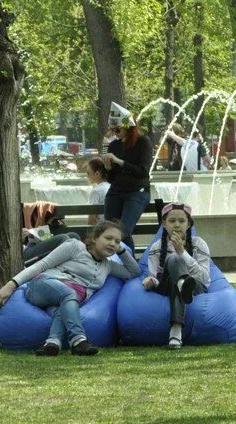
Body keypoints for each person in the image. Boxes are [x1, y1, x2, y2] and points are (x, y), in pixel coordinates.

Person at [0, 219, 141, 356]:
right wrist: (11, 284)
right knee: (69, 294)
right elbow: (42, 265)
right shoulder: (75, 246)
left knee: (62, 309)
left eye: (117, 241)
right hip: (43, 285)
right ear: (95, 237)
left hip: (65, 299)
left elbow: (134, 272)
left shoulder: (108, 265)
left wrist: (121, 251)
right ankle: (78, 340)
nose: (113, 244)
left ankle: (52, 343)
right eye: (108, 238)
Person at [142, 203, 212, 349]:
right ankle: (182, 283)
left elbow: (204, 279)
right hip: (166, 285)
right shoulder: (156, 247)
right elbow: (154, 276)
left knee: (177, 259)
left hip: (195, 286)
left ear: (188, 225)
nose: (177, 225)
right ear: (164, 224)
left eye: (182, 221)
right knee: (174, 259)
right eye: (172, 221)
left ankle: (176, 329)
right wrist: (150, 281)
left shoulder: (199, 244)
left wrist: (182, 252)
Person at [101, 102, 154, 253]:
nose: (115, 132)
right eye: (112, 129)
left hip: (137, 191)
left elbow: (143, 172)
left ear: (128, 127)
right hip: (116, 191)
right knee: (110, 231)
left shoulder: (143, 142)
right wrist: (108, 169)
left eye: (117, 129)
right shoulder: (114, 146)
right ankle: (118, 261)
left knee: (123, 232)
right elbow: (112, 178)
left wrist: (119, 161)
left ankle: (129, 265)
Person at [86, 157, 110, 223]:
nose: (87, 176)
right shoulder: (111, 187)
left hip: (100, 228)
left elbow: (92, 217)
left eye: (88, 173)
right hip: (111, 226)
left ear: (97, 174)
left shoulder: (96, 191)